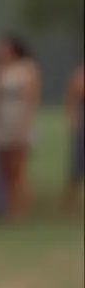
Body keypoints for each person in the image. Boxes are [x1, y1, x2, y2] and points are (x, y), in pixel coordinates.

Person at [0, 33, 40, 220]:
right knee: (5, 169)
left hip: (18, 118)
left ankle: (21, 209)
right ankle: (9, 208)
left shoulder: (27, 69)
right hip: (0, 119)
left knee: (18, 169)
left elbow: (32, 97)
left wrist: (25, 123)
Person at [63, 62, 84, 214]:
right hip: (82, 129)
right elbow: (71, 97)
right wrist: (73, 120)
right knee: (77, 167)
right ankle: (69, 205)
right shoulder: (80, 74)